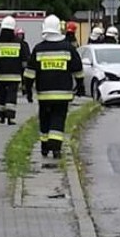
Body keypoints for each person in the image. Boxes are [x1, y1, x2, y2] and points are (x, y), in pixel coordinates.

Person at [23, 14, 85, 160]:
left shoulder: (38, 49)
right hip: (63, 94)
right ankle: (56, 147)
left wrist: (28, 90)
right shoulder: (68, 48)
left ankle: (45, 146)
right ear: (59, 29)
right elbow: (78, 68)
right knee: (58, 117)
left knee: (44, 118)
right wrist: (80, 85)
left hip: (44, 94)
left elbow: (30, 72)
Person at [0, 16, 30, 125]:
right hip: (15, 76)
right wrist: (25, 74)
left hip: (0, 75)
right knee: (11, 95)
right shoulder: (19, 43)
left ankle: (1, 116)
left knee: (1, 95)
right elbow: (24, 60)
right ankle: (10, 117)